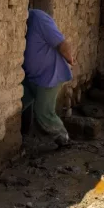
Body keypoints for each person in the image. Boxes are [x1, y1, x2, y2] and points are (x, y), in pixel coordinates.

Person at [22, 8, 75, 148]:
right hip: (31, 76)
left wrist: (70, 61)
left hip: (49, 75)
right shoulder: (24, 21)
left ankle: (63, 138)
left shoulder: (39, 18)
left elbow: (62, 44)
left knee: (43, 112)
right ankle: (18, 135)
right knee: (18, 101)